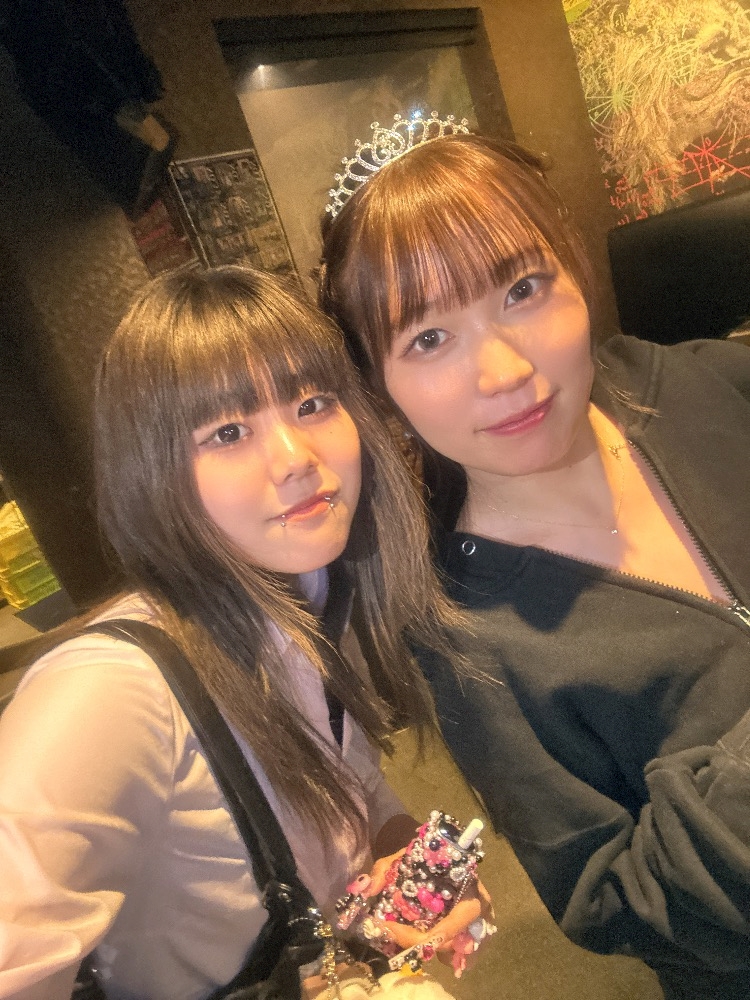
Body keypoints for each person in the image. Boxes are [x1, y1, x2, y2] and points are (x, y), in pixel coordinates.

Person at [318, 117, 750, 1000]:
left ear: (574, 269)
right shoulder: (465, 635)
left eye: (522, 289)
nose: (504, 369)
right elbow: (613, 900)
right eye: (428, 338)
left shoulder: (701, 385)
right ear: (379, 388)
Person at [0, 265, 480, 1000]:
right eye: (227, 432)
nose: (296, 459)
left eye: (313, 403)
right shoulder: (110, 689)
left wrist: (407, 862)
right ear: (154, 473)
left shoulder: (306, 597)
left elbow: (348, 788)